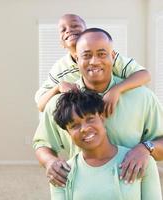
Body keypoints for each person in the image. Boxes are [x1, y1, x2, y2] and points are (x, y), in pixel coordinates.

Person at [33, 28, 163, 199]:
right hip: (83, 188)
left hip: (129, 188)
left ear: (113, 56)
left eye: (102, 54)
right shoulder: (61, 104)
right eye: (86, 55)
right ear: (77, 59)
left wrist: (145, 148)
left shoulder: (142, 97)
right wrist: (50, 161)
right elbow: (42, 144)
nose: (94, 61)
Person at [50, 89, 162, 200]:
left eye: (90, 119)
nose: (84, 128)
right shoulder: (61, 174)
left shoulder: (140, 162)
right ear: (68, 133)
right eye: (74, 125)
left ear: (102, 119)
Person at [35, 14, 151, 115]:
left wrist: (116, 90)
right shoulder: (60, 68)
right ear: (61, 43)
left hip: (117, 110)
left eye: (75, 26)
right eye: (63, 29)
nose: (68, 30)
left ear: (87, 32)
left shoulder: (109, 57)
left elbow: (145, 75)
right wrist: (58, 87)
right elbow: (41, 105)